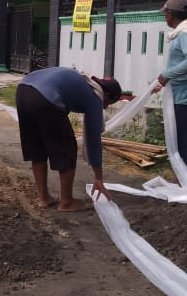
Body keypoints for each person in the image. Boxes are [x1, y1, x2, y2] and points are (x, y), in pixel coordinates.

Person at [15, 67, 122, 211]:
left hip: (23, 91)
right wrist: (98, 178)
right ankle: (67, 202)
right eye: (108, 104)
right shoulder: (95, 96)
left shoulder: (84, 82)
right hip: (45, 96)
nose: (105, 107)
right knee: (67, 148)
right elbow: (93, 140)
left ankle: (44, 198)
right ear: (107, 95)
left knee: (38, 147)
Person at [155, 0, 187, 168]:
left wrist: (168, 74)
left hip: (185, 96)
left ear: (169, 14)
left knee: (185, 138)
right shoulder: (185, 31)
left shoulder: (185, 34)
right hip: (185, 92)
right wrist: (162, 80)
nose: (164, 17)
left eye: (165, 14)